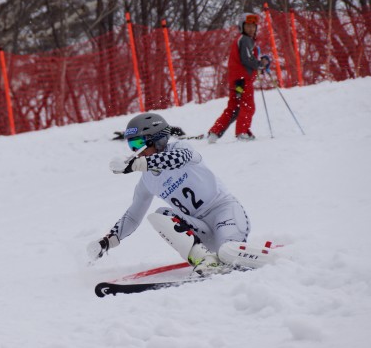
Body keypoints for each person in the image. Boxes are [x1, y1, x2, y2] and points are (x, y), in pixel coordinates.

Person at [87, 112, 253, 276]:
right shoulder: (147, 180)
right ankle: (205, 260)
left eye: (138, 144)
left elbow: (178, 158)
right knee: (160, 215)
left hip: (224, 213)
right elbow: (132, 216)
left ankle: (270, 259)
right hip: (199, 228)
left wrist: (135, 165)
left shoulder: (182, 148)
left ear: (156, 140)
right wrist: (108, 241)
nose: (136, 151)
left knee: (229, 252)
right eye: (132, 146)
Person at [208, 13, 271, 143]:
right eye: (248, 26)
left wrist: (257, 63)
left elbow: (247, 58)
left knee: (234, 107)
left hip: (237, 80)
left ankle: (215, 132)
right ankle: (242, 132)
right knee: (248, 106)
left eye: (254, 26)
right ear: (242, 26)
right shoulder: (245, 40)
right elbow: (246, 59)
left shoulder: (242, 40)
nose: (251, 28)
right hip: (243, 80)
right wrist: (260, 64)